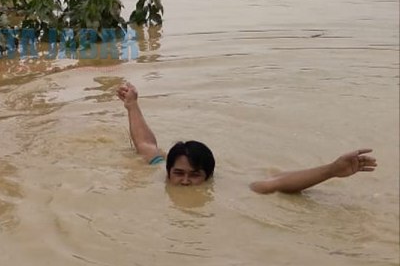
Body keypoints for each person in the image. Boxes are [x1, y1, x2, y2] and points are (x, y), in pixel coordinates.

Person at [116, 82, 378, 193]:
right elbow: (145, 144)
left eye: (195, 175)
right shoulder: (157, 168)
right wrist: (132, 105)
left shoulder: (220, 189)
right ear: (168, 172)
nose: (185, 181)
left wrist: (332, 170)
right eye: (180, 173)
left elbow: (275, 183)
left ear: (208, 176)